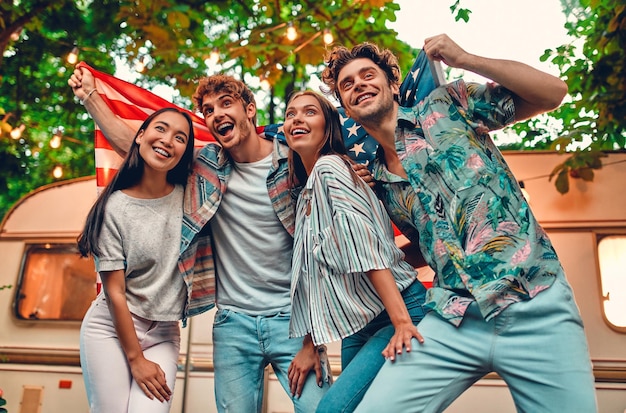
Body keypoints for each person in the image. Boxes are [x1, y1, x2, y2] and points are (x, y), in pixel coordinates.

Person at [69, 70, 378, 412]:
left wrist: (312, 340)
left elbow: (319, 252)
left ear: (250, 109)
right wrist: (89, 97)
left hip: (293, 321)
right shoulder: (206, 168)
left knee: (323, 409)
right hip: (233, 324)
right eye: (209, 110)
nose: (216, 114)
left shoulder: (294, 162)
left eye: (226, 104)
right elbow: (136, 147)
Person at [321, 34, 598, 413]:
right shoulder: (378, 182)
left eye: (368, 74)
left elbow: (552, 92)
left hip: (535, 301)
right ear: (347, 110)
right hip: (453, 317)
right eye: (347, 85)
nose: (358, 85)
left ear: (392, 84)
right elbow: (428, 244)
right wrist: (372, 263)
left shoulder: (448, 105)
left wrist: (466, 58)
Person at [283, 90, 428, 413]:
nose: (297, 119)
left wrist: (402, 321)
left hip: (396, 312)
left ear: (328, 126)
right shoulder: (309, 189)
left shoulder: (330, 169)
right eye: (291, 114)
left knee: (332, 410)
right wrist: (311, 343)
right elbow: (313, 277)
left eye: (309, 112)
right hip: (359, 323)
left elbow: (363, 247)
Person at [77, 107, 196, 412]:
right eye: (160, 129)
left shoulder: (192, 199)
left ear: (185, 153)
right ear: (141, 136)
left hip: (164, 332)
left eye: (180, 137)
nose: (168, 140)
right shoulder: (114, 207)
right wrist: (136, 359)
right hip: (111, 329)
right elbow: (114, 292)